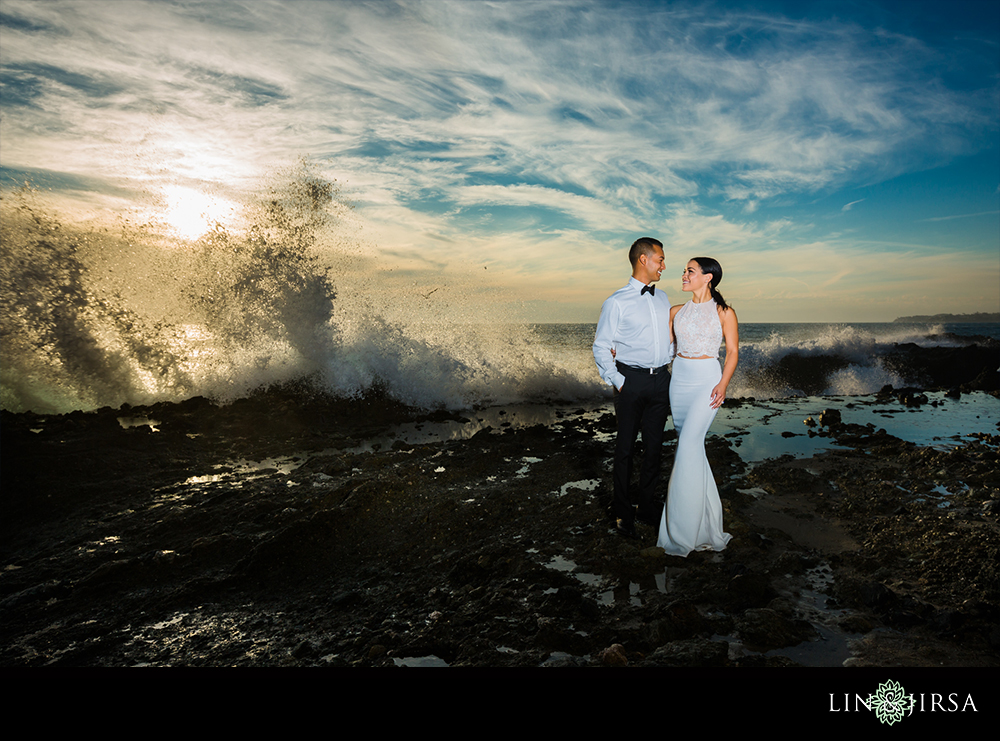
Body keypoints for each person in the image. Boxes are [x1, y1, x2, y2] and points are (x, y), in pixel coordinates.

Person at [593, 237, 674, 539]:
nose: (664, 265)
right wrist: (618, 380)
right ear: (644, 259)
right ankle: (622, 513)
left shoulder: (663, 298)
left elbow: (668, 338)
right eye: (660, 260)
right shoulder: (616, 302)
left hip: (660, 381)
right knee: (625, 449)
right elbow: (601, 346)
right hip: (630, 381)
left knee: (654, 448)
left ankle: (647, 507)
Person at [657, 257, 737, 556]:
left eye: (690, 271)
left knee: (688, 445)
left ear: (708, 278)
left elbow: (731, 352)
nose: (683, 275)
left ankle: (680, 534)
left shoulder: (724, 312)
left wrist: (723, 384)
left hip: (707, 381)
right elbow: (663, 349)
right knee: (692, 450)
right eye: (685, 271)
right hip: (679, 383)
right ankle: (707, 525)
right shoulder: (675, 311)